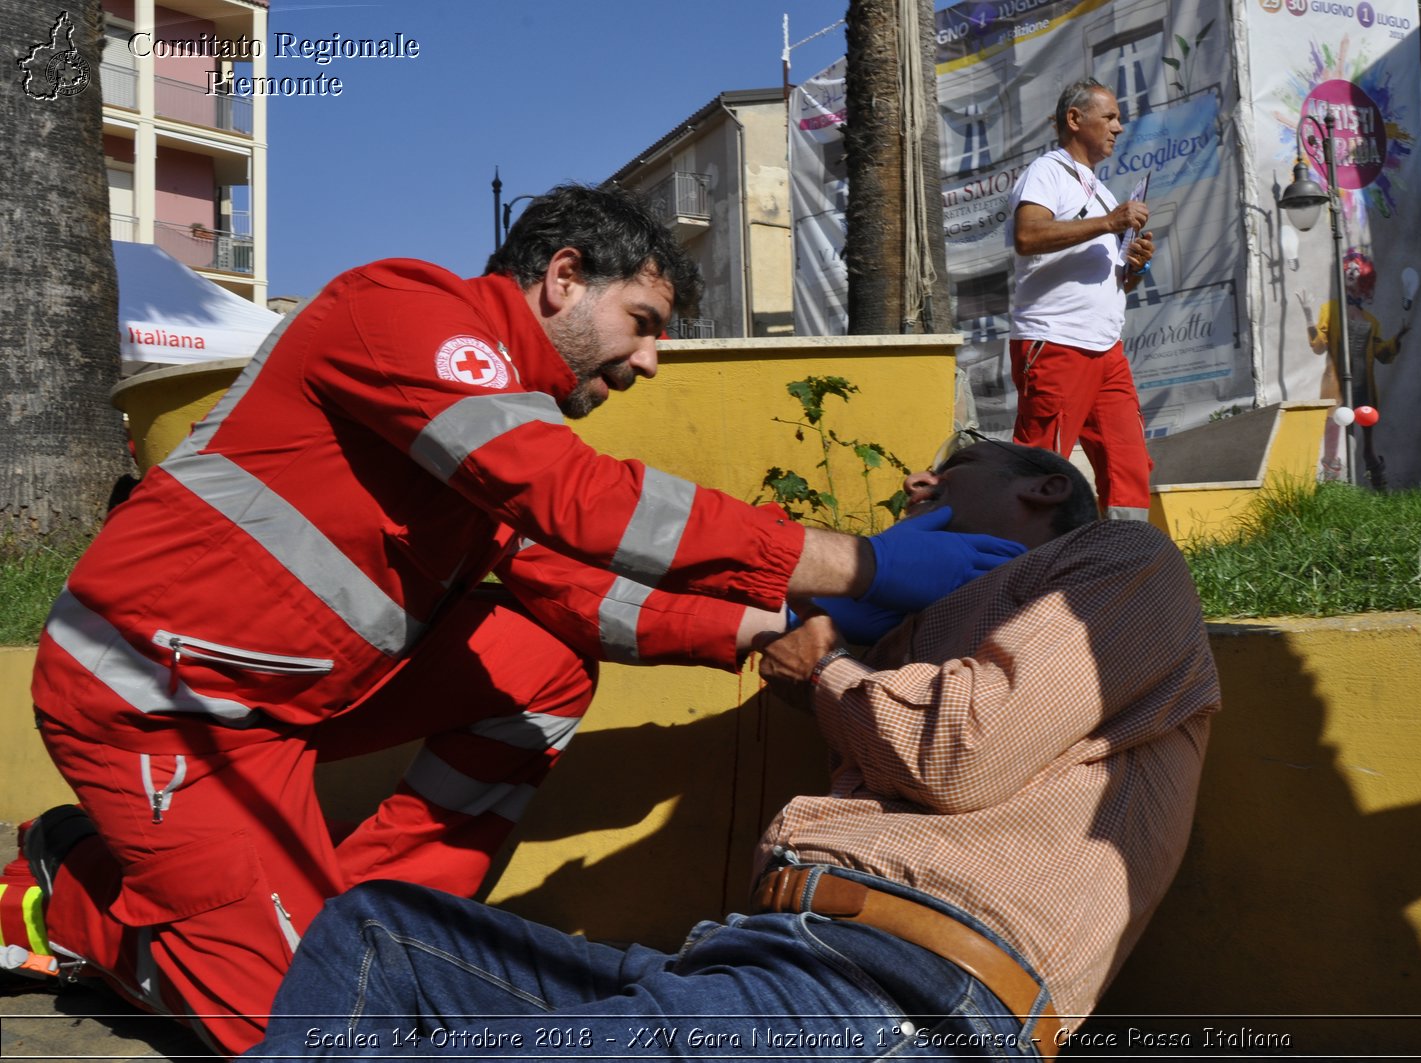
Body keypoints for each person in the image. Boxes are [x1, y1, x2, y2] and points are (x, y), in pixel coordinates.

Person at [3, 184, 1024, 1056]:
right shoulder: (402, 311)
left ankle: (360, 933)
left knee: (541, 659)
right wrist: (862, 558)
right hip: (155, 701)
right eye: (645, 321)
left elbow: (567, 583)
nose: (651, 362)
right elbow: (573, 500)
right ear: (563, 277)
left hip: (276, 706)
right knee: (309, 1035)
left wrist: (754, 631)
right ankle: (67, 896)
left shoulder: (495, 421)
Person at [241, 436, 1222, 1060]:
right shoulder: (908, 629)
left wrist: (821, 674)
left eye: (951, 469)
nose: (917, 483)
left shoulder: (1118, 565)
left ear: (1044, 485)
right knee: (375, 930)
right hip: (756, 962)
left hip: (902, 994)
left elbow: (960, 746)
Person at [1008, 77, 1157, 521]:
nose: (1119, 127)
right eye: (1109, 117)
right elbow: (1028, 235)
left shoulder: (1102, 190)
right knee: (1042, 465)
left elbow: (1110, 283)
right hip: (1056, 340)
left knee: (1127, 462)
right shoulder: (1047, 171)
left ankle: (1126, 563)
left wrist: (1134, 267)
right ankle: (1016, 567)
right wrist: (1110, 224)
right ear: (1075, 119)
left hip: (1106, 347)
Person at [1297, 249, 1410, 487]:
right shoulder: (1330, 309)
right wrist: (1309, 318)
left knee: (1368, 444)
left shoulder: (1371, 320)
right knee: (1332, 436)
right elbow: (1319, 346)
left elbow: (1382, 354)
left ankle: (1378, 485)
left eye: (1357, 270)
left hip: (1363, 385)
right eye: (1349, 268)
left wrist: (1397, 338)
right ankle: (1332, 489)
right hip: (1336, 383)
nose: (1352, 272)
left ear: (1364, 278)